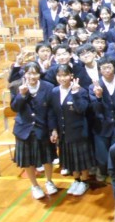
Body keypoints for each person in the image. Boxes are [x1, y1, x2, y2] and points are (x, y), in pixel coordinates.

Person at [10, 62, 58, 200]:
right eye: (29, 73)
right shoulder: (16, 86)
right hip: (24, 130)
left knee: (47, 158)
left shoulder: (48, 87)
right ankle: (35, 185)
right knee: (28, 161)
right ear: (24, 74)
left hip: (42, 128)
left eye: (35, 73)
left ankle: (49, 181)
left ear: (39, 74)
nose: (32, 76)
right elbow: (15, 108)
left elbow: (51, 111)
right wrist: (22, 94)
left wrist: (53, 129)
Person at [47, 64, 93, 196]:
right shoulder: (54, 92)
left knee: (81, 160)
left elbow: (82, 109)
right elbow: (52, 112)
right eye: (59, 75)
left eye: (65, 75)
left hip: (79, 132)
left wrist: (75, 93)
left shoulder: (81, 91)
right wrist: (53, 129)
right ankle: (76, 180)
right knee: (71, 159)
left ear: (71, 76)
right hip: (63, 132)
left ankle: (84, 181)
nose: (62, 78)